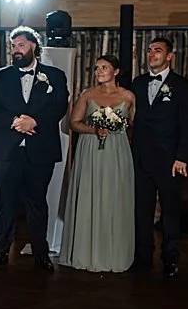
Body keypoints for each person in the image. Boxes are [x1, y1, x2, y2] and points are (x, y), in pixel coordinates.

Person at [0, 26, 69, 271]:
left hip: (39, 148)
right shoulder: (1, 76)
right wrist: (15, 122)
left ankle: (41, 253)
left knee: (37, 201)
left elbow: (59, 105)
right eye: (13, 46)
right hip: (7, 149)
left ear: (33, 46)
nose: (16, 50)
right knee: (6, 201)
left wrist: (35, 121)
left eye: (20, 45)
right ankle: (0, 251)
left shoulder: (54, 75)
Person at [129, 36, 188, 277]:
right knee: (142, 209)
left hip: (170, 158)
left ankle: (170, 256)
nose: (152, 55)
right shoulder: (137, 83)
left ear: (170, 56)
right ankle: (142, 255)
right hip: (140, 156)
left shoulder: (182, 86)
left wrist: (182, 157)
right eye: (149, 51)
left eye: (157, 51)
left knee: (171, 210)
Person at [59, 55, 137, 273]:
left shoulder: (128, 96)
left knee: (114, 197)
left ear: (116, 71)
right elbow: (73, 123)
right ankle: (86, 251)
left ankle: (114, 253)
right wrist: (94, 130)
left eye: (104, 67)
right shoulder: (88, 94)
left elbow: (134, 125)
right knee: (90, 195)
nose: (99, 71)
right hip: (90, 149)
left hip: (117, 151)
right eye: (96, 68)